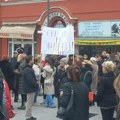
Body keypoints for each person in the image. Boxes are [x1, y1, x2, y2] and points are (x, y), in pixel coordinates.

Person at [23, 55, 38, 120]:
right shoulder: (27, 69)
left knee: (30, 102)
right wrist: (36, 84)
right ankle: (28, 116)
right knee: (29, 103)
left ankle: (29, 115)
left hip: (30, 87)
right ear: (29, 61)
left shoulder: (29, 68)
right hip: (30, 88)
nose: (33, 60)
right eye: (32, 59)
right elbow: (30, 80)